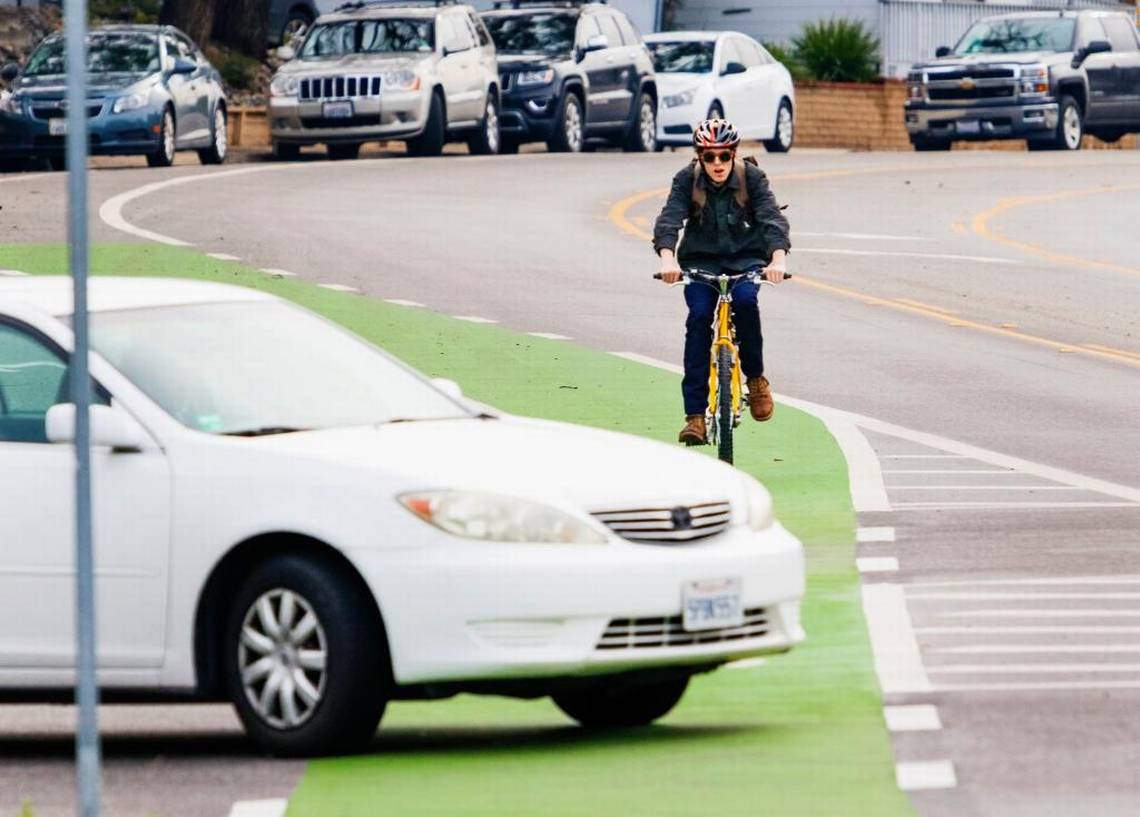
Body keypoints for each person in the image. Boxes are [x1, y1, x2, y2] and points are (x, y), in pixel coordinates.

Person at [652, 117, 791, 446]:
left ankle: (755, 380)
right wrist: (668, 258)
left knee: (745, 303)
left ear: (734, 154)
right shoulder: (687, 179)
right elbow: (670, 217)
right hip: (700, 262)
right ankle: (695, 417)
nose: (717, 163)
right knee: (699, 319)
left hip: (746, 259)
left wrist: (778, 259)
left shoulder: (751, 178)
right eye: (709, 156)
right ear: (700, 156)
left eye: (724, 156)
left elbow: (771, 217)